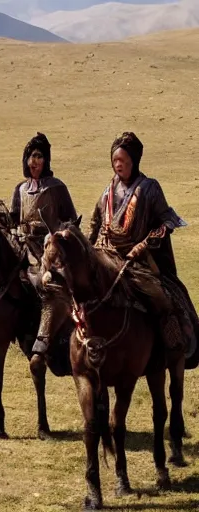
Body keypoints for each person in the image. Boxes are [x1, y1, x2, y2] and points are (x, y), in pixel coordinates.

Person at [88, 131, 198, 359]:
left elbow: (168, 221)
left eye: (124, 161)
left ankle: (173, 346)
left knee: (159, 297)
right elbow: (94, 226)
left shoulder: (150, 188)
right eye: (115, 160)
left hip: (137, 261)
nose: (118, 165)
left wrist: (144, 245)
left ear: (134, 162)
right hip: (107, 257)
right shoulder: (107, 193)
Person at [0, 132, 78, 357]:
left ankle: (52, 330)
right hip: (24, 247)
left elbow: (70, 219)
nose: (34, 161)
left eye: (39, 156)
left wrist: (59, 233)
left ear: (46, 160)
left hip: (49, 247)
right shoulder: (20, 189)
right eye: (31, 156)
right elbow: (13, 218)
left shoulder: (56, 187)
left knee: (48, 283)